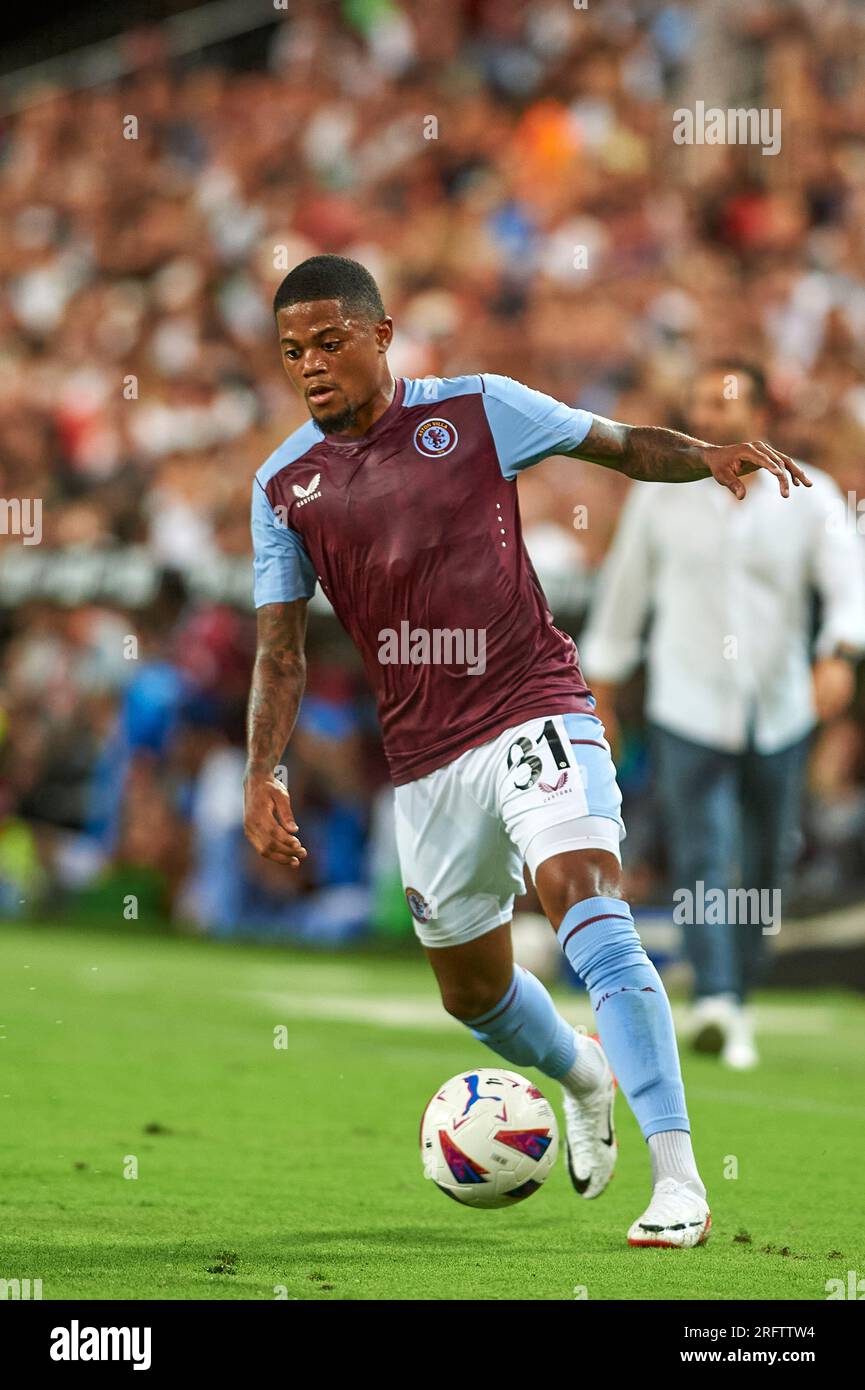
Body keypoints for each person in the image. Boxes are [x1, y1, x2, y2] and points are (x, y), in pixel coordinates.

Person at [243, 256, 810, 1248]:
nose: (312, 366)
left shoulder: (479, 410)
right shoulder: (283, 484)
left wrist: (706, 454)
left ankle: (678, 1179)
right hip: (423, 761)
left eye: (330, 342)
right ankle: (580, 1070)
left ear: (381, 334)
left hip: (532, 705)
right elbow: (280, 652)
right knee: (471, 991)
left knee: (586, 900)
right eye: (294, 351)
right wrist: (262, 770)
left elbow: (625, 447)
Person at [581, 362, 865, 1068]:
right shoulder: (660, 496)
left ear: (761, 414)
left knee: (767, 862)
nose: (707, 412)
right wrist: (603, 691)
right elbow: (623, 595)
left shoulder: (808, 494)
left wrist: (838, 653)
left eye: (722, 400)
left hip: (778, 709)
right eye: (699, 399)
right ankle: (714, 997)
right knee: (703, 852)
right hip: (687, 702)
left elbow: (847, 586)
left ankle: (738, 989)